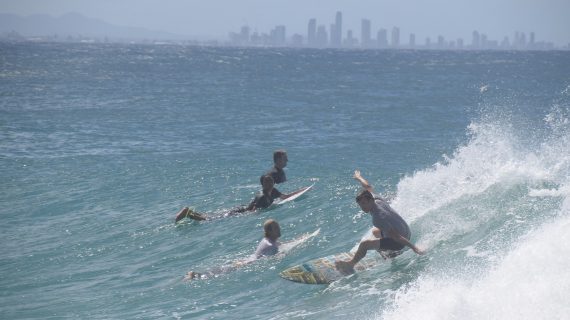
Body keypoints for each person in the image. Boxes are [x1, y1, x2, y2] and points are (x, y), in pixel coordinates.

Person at [335, 170, 424, 275]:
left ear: (370, 200)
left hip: (399, 240)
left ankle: (350, 264)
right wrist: (359, 177)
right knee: (375, 232)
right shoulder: (377, 199)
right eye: (360, 205)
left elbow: (396, 236)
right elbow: (367, 186)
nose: (362, 207)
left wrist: (414, 248)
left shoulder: (378, 217)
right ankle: (390, 254)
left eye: (364, 203)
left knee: (364, 245)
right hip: (406, 231)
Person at [175, 175, 307, 223]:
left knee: (209, 217)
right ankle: (188, 213)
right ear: (263, 184)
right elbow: (253, 210)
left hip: (243, 208)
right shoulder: (261, 196)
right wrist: (247, 217)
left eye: (271, 180)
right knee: (209, 219)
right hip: (240, 211)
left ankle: (189, 212)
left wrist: (301, 190)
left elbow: (286, 196)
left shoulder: (274, 191)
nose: (270, 183)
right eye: (267, 182)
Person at [184, 219, 283, 280]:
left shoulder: (267, 240)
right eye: (276, 227)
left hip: (245, 261)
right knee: (220, 273)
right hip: (246, 264)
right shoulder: (270, 244)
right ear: (270, 231)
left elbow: (278, 245)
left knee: (222, 270)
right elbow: (274, 252)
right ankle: (196, 275)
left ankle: (197, 275)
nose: (279, 228)